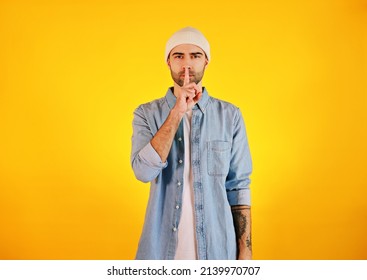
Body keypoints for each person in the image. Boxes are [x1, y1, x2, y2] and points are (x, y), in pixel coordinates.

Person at [131, 27, 252, 260]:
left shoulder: (230, 116)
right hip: (159, 253)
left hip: (218, 252)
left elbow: (238, 187)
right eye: (178, 56)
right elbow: (143, 172)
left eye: (195, 56)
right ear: (168, 61)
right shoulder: (146, 114)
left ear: (206, 61)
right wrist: (177, 111)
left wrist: (245, 253)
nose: (187, 64)